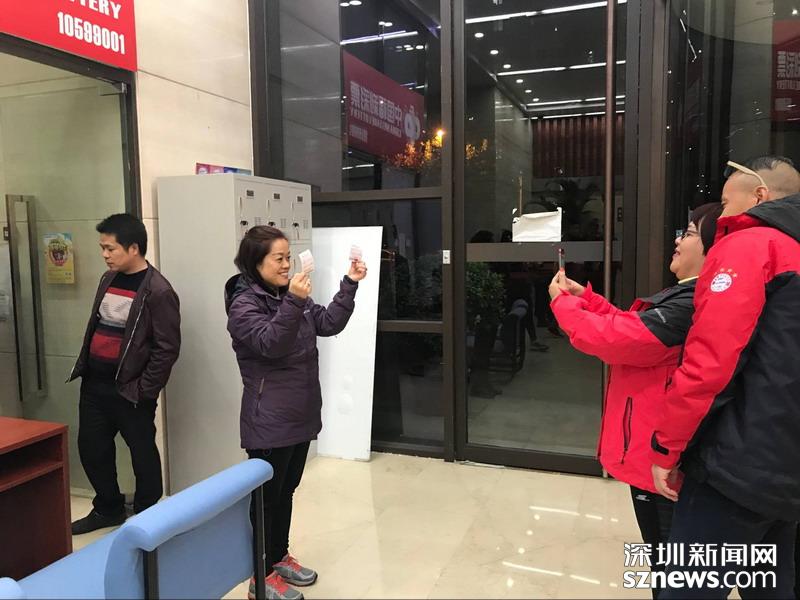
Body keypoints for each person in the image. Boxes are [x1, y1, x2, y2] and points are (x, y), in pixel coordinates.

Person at [549, 203, 723, 598]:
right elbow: (633, 329)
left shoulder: (691, 303)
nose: (678, 240)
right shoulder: (687, 295)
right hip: (657, 450)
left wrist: (563, 303)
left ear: (713, 248)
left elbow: (616, 340)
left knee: (671, 568)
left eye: (689, 233)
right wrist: (586, 299)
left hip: (663, 456)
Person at [649, 156, 800, 599]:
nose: (721, 212)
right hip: (785, 462)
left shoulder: (750, 245)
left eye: (725, 200)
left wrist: (667, 448)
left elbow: (710, 363)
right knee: (771, 584)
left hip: (738, 462)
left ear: (759, 195)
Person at [225, 226, 367, 600]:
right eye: (279, 258)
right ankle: (260, 576)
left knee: (285, 491)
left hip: (300, 415)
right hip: (268, 420)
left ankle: (278, 556)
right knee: (265, 500)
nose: (287, 264)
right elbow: (270, 343)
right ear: (256, 262)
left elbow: (329, 322)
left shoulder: (290, 297)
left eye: (288, 257)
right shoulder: (243, 305)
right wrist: (293, 302)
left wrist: (349, 284)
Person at [69, 214, 181, 535]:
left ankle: (148, 513)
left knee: (142, 452)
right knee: (92, 449)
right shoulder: (108, 279)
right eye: (102, 248)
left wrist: (144, 390)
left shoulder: (158, 290)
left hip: (130, 389)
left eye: (110, 248)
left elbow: (167, 348)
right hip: (95, 385)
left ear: (133, 248)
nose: (104, 254)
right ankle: (108, 508)